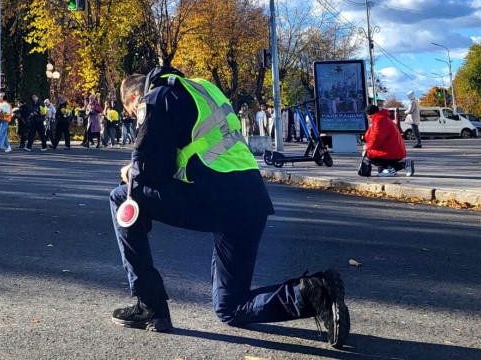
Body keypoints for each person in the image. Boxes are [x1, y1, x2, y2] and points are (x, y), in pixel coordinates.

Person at [109, 67, 350, 349]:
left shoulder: (154, 98)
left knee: (121, 197)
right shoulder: (201, 87)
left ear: (135, 97)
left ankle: (149, 305)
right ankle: (311, 293)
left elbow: (149, 170)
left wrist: (130, 172)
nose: (133, 118)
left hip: (216, 196)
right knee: (230, 308)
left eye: (129, 112)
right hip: (250, 198)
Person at [362, 105, 414, 177]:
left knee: (368, 155)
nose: (367, 117)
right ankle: (400, 166)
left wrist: (367, 146)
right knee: (381, 171)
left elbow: (376, 140)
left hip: (389, 152)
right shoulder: (383, 119)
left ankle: (401, 165)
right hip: (393, 150)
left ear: (371, 114)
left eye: (368, 115)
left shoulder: (379, 121)